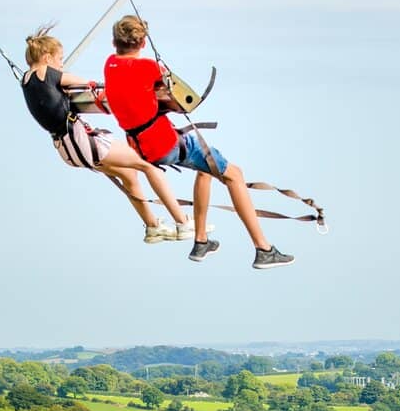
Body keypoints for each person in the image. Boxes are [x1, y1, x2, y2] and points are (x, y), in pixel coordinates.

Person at [103, 16, 294, 269]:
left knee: (206, 171)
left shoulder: (110, 64)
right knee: (234, 175)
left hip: (141, 148)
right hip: (165, 144)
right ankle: (263, 249)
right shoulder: (149, 67)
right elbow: (185, 102)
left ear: (114, 42)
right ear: (143, 42)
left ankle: (201, 242)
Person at [21, 28, 193, 243]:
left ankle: (153, 228)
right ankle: (183, 223)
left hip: (67, 151)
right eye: (60, 59)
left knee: (129, 176)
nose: (62, 64)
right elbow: (82, 82)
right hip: (82, 142)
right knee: (146, 164)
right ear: (47, 58)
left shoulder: (26, 79)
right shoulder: (46, 72)